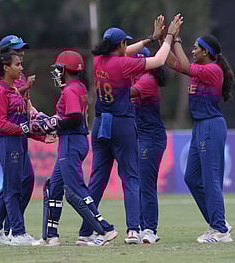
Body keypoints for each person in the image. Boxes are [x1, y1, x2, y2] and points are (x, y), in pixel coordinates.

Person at [78, 14, 183, 245]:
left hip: (100, 124)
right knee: (131, 178)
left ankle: (86, 231)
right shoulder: (123, 64)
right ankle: (133, 230)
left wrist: (148, 39)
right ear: (121, 46)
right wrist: (168, 37)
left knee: (97, 179)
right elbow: (157, 61)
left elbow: (124, 52)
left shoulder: (97, 60)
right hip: (121, 124)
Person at [32, 51, 119, 247]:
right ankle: (50, 236)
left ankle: (105, 229)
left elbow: (74, 118)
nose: (56, 72)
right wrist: (46, 119)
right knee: (53, 188)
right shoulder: (78, 87)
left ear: (64, 70)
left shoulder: (70, 90)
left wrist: (52, 123)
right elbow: (66, 116)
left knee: (74, 189)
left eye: (58, 68)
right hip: (72, 141)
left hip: (71, 142)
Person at [165, 33, 235, 243]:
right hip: (200, 127)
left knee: (210, 179)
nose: (192, 50)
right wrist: (164, 40)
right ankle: (217, 222)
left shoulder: (212, 70)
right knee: (192, 178)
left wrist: (175, 39)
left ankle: (220, 229)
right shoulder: (199, 71)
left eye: (195, 47)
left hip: (211, 126)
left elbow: (184, 65)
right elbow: (172, 63)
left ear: (206, 52)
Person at [0, 51, 49, 246]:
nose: (21, 68)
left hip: (16, 140)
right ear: (6, 67)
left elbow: (23, 120)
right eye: (17, 64)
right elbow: (2, 123)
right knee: (12, 188)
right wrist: (24, 128)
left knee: (11, 186)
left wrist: (41, 135)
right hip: (7, 141)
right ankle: (17, 233)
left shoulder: (14, 90)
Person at [130, 46, 167, 244]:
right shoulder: (138, 78)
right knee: (139, 185)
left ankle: (150, 229)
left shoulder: (147, 80)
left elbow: (125, 94)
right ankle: (140, 226)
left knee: (146, 185)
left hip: (151, 139)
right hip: (141, 137)